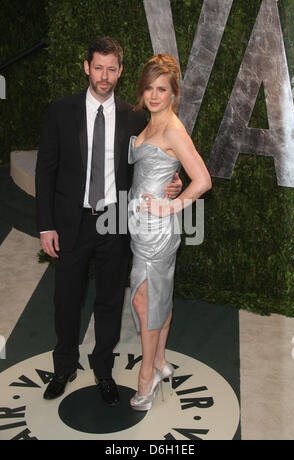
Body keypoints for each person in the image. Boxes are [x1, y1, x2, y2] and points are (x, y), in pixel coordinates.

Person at [36, 37, 182, 406]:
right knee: (66, 299)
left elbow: (150, 162)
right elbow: (45, 171)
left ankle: (103, 369)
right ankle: (64, 366)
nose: (104, 76)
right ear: (87, 67)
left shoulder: (134, 116)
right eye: (98, 67)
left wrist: (173, 182)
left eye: (111, 68)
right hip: (70, 221)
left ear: (119, 71)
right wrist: (46, 224)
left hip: (116, 220)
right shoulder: (60, 110)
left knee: (109, 299)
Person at [128, 54, 212, 411]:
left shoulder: (173, 130)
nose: (154, 95)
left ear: (174, 94)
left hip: (157, 231)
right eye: (149, 87)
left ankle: (146, 375)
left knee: (142, 301)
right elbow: (164, 171)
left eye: (162, 89)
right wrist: (172, 182)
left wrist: (170, 206)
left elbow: (203, 180)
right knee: (158, 296)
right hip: (140, 228)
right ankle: (160, 360)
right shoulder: (150, 123)